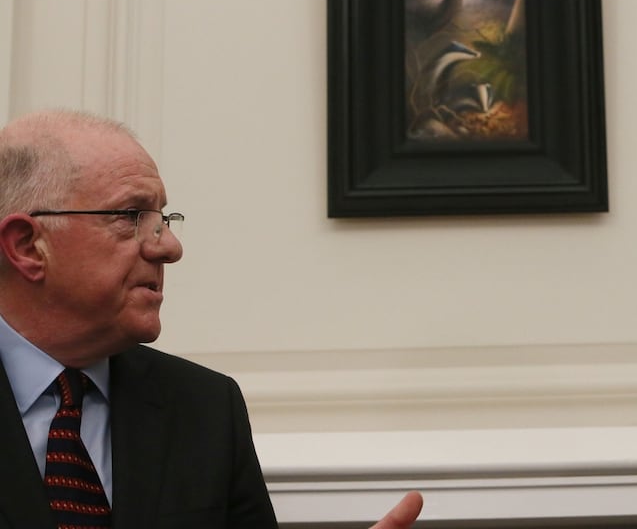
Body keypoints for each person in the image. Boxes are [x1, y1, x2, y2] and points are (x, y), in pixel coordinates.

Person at [0, 110, 424, 528]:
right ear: (27, 247)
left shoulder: (205, 408)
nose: (169, 247)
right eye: (131, 217)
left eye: (161, 220)